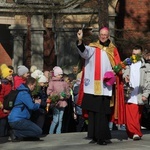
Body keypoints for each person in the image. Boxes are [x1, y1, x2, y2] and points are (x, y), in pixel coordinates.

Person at [76, 27, 125, 145]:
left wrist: (116, 71)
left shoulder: (113, 50)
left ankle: (102, 137)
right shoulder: (92, 47)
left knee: (102, 113)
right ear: (99, 36)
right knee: (92, 112)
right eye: (101, 34)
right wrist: (80, 41)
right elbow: (84, 52)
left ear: (108, 36)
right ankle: (93, 136)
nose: (103, 36)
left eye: (105, 35)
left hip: (105, 87)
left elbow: (117, 65)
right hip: (92, 86)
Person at [123, 45, 150, 140]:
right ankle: (135, 133)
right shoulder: (127, 63)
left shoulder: (146, 66)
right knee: (130, 115)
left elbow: (148, 81)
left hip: (139, 94)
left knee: (137, 116)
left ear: (141, 54)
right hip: (129, 93)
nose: (135, 56)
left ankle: (133, 132)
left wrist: (146, 94)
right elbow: (122, 72)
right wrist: (125, 76)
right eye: (133, 54)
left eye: (137, 54)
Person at [8, 77, 42, 142]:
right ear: (30, 85)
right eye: (34, 86)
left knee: (35, 132)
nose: (34, 88)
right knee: (38, 132)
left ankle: (25, 136)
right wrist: (37, 103)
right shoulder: (24, 93)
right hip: (18, 120)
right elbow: (32, 107)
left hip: (18, 119)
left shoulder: (23, 92)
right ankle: (15, 133)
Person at [47, 66, 70, 134]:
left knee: (60, 119)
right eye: (59, 74)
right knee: (55, 119)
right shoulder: (52, 82)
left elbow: (68, 91)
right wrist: (57, 96)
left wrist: (66, 95)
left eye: (61, 74)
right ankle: (51, 132)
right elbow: (49, 92)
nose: (61, 76)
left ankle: (58, 132)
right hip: (55, 103)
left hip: (63, 103)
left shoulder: (64, 83)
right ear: (56, 74)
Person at [0, 64, 13, 137]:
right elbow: (1, 96)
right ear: (5, 76)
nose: (11, 76)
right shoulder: (3, 85)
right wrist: (3, 107)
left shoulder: (9, 84)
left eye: (11, 75)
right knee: (3, 124)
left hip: (7, 107)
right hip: (2, 107)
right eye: (9, 75)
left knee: (5, 124)